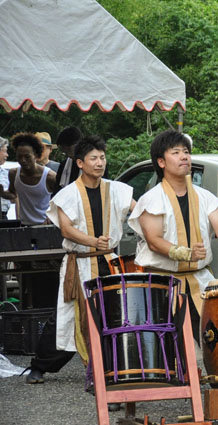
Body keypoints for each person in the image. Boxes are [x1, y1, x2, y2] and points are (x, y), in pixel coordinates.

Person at [25, 135, 134, 384]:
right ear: (80, 163)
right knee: (67, 317)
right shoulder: (68, 193)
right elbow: (66, 229)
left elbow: (139, 210)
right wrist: (93, 241)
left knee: (113, 314)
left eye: (102, 158)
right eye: (93, 158)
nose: (99, 163)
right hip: (80, 262)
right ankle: (39, 366)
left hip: (108, 262)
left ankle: (109, 368)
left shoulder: (116, 189)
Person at [128, 130, 218, 341]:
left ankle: (204, 374)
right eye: (176, 152)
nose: (184, 157)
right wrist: (187, 254)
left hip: (199, 280)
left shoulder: (204, 196)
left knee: (213, 338)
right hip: (162, 283)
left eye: (186, 152)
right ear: (161, 162)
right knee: (167, 344)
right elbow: (154, 241)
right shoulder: (151, 199)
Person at [0, 133, 56, 225]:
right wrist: (2, 193)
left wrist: (53, 216)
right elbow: (13, 195)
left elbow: (64, 201)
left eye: (27, 157)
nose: (23, 160)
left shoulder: (49, 176)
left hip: (45, 227)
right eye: (19, 156)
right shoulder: (13, 174)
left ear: (36, 156)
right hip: (24, 226)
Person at [54, 126, 83, 194]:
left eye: (67, 151)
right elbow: (57, 192)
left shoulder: (94, 165)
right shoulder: (64, 166)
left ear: (76, 145)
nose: (67, 155)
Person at [0, 136, 13, 220]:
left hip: (4, 216)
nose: (7, 155)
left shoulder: (5, 173)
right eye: (5, 151)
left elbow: (15, 198)